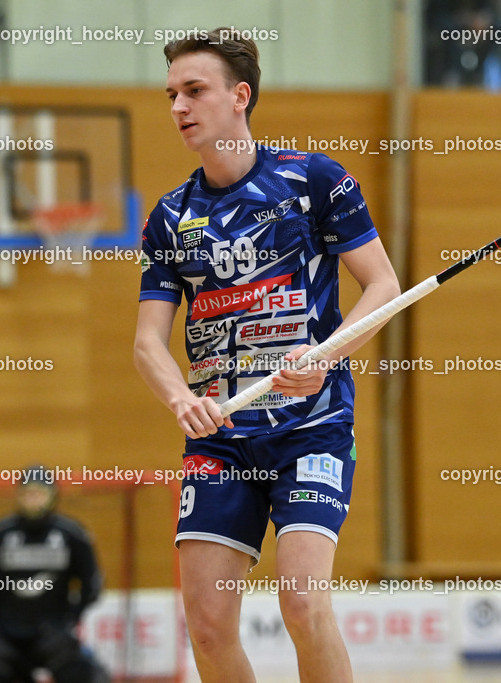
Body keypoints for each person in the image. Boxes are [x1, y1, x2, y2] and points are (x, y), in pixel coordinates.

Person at [134, 27, 401, 683]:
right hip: (221, 439)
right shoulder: (170, 217)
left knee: (303, 603)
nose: (178, 106)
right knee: (207, 624)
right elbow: (147, 342)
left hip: (311, 427)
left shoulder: (314, 181)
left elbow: (384, 286)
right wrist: (181, 399)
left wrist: (326, 354)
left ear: (240, 96)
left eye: (194, 90)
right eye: (171, 94)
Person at [0, 465, 109, 683]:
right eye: (27, 494)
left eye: (39, 494)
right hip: (6, 635)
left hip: (53, 632)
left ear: (52, 496)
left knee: (86, 676)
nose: (33, 499)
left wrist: (70, 618)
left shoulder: (72, 534)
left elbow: (92, 584)